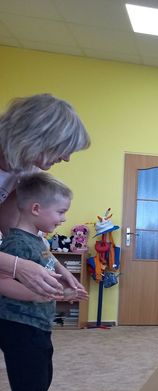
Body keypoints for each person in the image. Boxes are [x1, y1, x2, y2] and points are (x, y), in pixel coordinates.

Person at [0, 171, 88, 391]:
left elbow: (47, 267)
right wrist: (41, 295)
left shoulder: (37, 241)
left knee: (34, 381)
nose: (63, 219)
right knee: (32, 384)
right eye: (60, 212)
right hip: (20, 326)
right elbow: (3, 281)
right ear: (36, 209)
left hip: (35, 324)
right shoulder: (16, 244)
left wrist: (65, 283)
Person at [0, 93, 90, 300]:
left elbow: (14, 230)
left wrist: (57, 267)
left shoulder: (27, 171)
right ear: (35, 137)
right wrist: (17, 266)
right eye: (63, 149)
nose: (66, 158)